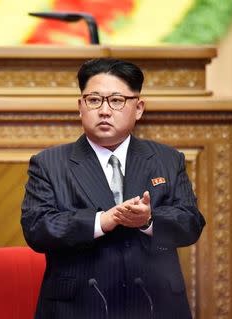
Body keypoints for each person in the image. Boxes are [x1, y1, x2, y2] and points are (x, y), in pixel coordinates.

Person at [21, 58, 205, 319]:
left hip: (154, 304)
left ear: (138, 108)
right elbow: (37, 228)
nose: (104, 111)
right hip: (78, 308)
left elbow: (191, 224)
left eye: (116, 100)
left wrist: (149, 220)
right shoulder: (49, 164)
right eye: (94, 100)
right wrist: (101, 221)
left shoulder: (167, 159)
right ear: (80, 107)